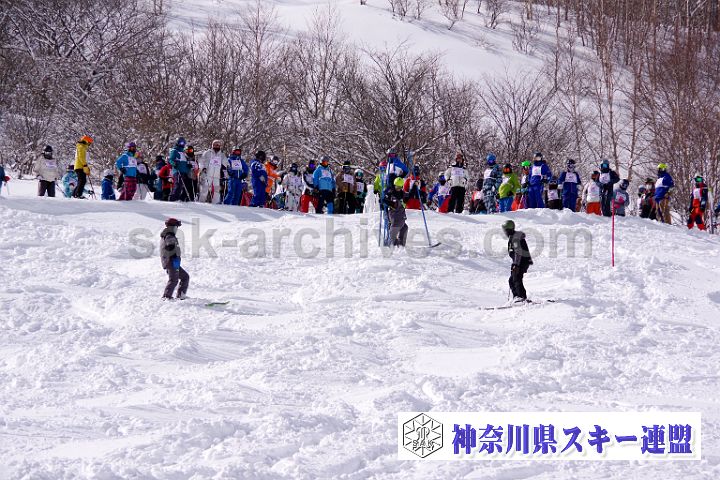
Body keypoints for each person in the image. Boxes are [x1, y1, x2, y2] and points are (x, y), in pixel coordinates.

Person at [502, 220, 533, 303]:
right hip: (519, 262)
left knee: (516, 278)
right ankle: (517, 297)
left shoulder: (515, 238)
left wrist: (516, 265)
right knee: (511, 280)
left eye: (505, 230)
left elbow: (518, 252)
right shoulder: (513, 237)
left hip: (521, 262)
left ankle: (521, 297)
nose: (504, 232)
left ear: (508, 230)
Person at [160, 218, 189, 300]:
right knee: (173, 280)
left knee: (185, 277)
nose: (177, 229)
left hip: (174, 261)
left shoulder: (168, 234)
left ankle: (181, 295)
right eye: (176, 227)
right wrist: (173, 250)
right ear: (172, 227)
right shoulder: (169, 235)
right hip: (171, 261)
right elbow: (170, 246)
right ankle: (166, 297)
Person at [199, 140, 227, 204]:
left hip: (217, 175)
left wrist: (226, 168)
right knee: (205, 188)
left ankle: (215, 202)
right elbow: (202, 161)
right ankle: (201, 202)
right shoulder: (207, 153)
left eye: (218, 145)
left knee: (217, 190)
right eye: (215, 145)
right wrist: (203, 168)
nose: (217, 146)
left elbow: (226, 163)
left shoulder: (222, 155)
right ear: (212, 145)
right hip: (208, 174)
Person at [385, 177, 409, 246]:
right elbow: (387, 201)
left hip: (400, 215)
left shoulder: (402, 193)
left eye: (400, 187)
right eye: (397, 186)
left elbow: (408, 196)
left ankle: (401, 243)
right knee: (396, 226)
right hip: (394, 215)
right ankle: (391, 243)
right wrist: (384, 200)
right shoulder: (391, 193)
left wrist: (415, 188)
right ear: (394, 185)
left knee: (404, 228)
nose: (398, 188)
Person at [169, 137, 191, 202]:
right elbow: (171, 159)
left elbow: (184, 162)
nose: (182, 144)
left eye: (184, 143)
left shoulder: (183, 152)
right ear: (177, 143)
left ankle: (179, 199)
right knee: (178, 185)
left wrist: (188, 166)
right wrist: (174, 164)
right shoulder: (174, 150)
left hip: (184, 171)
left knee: (182, 186)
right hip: (177, 170)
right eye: (181, 143)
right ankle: (173, 199)